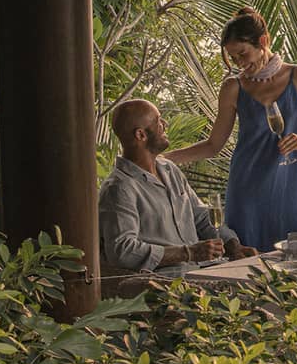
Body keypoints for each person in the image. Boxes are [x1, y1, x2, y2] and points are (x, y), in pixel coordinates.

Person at [166, 6, 297, 251]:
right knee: (248, 267)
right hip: (248, 191)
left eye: (243, 54)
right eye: (233, 58)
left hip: (294, 188)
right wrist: (162, 159)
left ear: (263, 41)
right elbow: (214, 145)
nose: (240, 63)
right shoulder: (233, 87)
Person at [98, 97, 257, 281]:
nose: (165, 124)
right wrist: (187, 253)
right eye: (158, 121)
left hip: (198, 274)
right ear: (141, 135)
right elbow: (122, 250)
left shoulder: (169, 170)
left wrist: (233, 245)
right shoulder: (119, 188)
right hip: (164, 286)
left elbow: (202, 217)